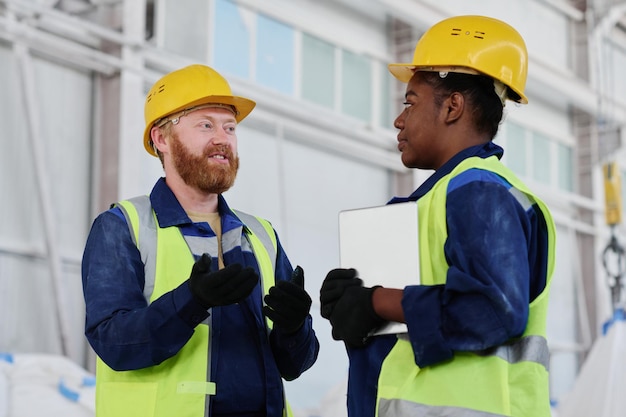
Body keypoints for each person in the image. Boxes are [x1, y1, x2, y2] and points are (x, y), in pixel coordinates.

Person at [320, 15, 556, 417]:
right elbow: (407, 336)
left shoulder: (480, 191)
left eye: (410, 102)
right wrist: (354, 310)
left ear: (452, 107)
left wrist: (376, 300)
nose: (399, 119)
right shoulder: (438, 200)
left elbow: (493, 309)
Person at [82, 64, 319, 417]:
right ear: (162, 138)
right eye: (205, 125)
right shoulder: (123, 227)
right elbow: (114, 343)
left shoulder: (261, 236)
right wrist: (190, 301)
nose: (222, 138)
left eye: (230, 127)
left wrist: (294, 326)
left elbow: (293, 365)